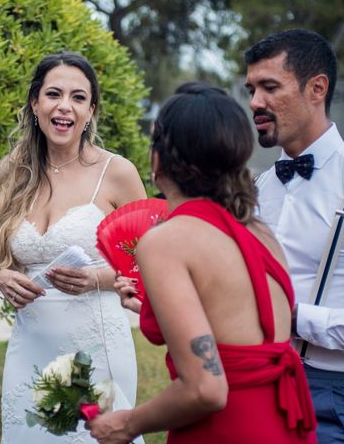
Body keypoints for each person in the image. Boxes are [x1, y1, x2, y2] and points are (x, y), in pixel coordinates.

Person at [88, 83, 317, 443]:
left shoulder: (167, 240)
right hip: (281, 423)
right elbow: (234, 317)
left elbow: (206, 389)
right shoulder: (259, 230)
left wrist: (126, 423)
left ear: (157, 160)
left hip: (228, 429)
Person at [0, 51, 147, 443]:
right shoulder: (14, 174)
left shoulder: (117, 173)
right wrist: (3, 277)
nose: (64, 106)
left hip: (95, 347)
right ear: (35, 103)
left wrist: (97, 278)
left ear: (91, 110)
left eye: (78, 98)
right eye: (53, 94)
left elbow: (153, 264)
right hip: (29, 347)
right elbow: (4, 261)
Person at [246, 29, 344, 443]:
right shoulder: (259, 188)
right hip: (251, 382)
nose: (256, 102)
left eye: (270, 87)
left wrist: (298, 319)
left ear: (317, 88)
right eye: (252, 89)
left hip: (327, 394)